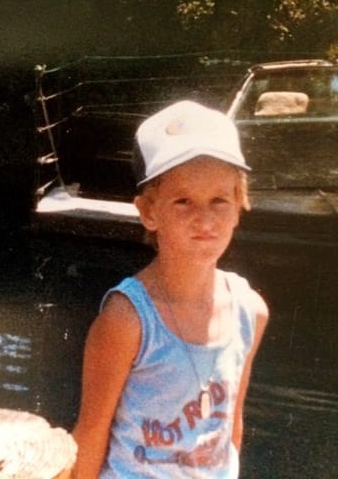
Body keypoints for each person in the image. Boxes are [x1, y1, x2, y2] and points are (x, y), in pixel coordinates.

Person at [71, 100, 269, 478]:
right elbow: (90, 435)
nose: (205, 219)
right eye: (183, 201)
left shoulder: (250, 312)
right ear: (149, 211)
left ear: (240, 204)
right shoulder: (127, 319)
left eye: (219, 200)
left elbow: (230, 431)